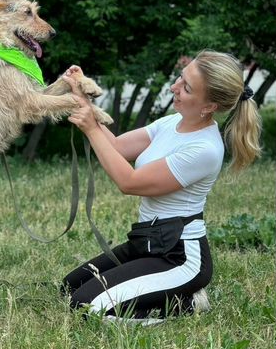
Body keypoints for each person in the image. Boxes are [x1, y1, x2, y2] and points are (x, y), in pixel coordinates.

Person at [61, 50, 262, 325]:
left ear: (209, 106)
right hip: (146, 242)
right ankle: (168, 296)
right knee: (70, 288)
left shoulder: (205, 148)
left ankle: (187, 303)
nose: (174, 88)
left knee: (86, 308)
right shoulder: (171, 123)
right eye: (181, 78)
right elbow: (118, 147)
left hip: (178, 257)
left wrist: (91, 129)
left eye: (187, 88)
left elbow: (129, 183)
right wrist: (81, 98)